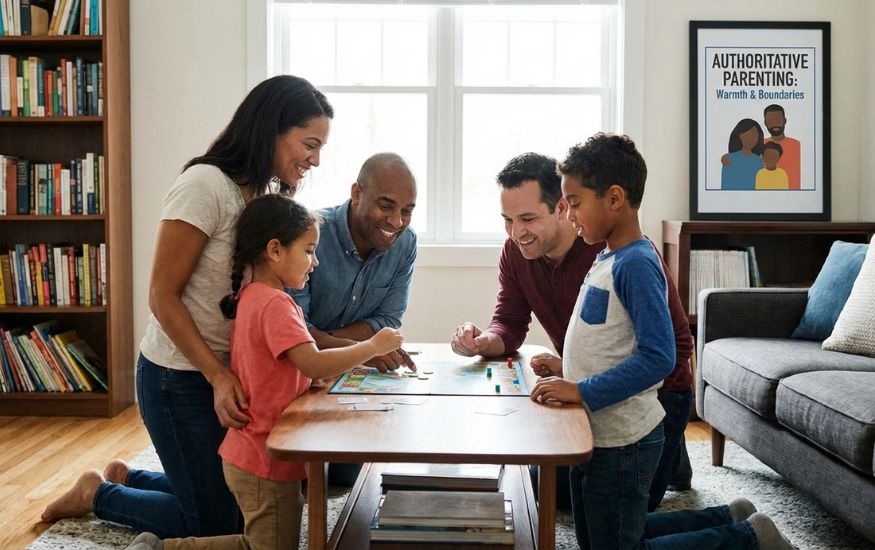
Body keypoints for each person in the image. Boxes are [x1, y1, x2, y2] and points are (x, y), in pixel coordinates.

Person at [41, 75, 334, 538]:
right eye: (310, 144)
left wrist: (298, 366)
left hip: (231, 378)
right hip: (177, 379)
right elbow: (162, 294)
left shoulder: (264, 199)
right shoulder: (204, 185)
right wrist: (217, 377)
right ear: (272, 130)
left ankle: (129, 478)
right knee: (218, 524)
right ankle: (98, 495)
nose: (315, 159)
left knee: (246, 501)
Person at [531, 132, 794, 549]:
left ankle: (748, 538)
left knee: (615, 546)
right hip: (597, 434)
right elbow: (610, 342)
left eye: (576, 203)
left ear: (614, 198)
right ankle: (729, 516)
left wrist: (580, 390)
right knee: (602, 536)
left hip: (623, 441)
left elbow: (658, 357)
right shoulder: (608, 256)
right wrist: (567, 369)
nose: (570, 215)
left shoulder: (636, 263)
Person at [126, 194, 404, 550]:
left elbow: (276, 366)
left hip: (259, 451)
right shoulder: (276, 304)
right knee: (267, 547)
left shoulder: (254, 295)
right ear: (275, 250)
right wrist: (372, 347)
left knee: (273, 538)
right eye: (308, 250)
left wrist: (305, 377)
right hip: (264, 456)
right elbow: (313, 360)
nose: (315, 262)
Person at [450, 152, 693, 512]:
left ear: (562, 207)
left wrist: (588, 387)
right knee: (538, 483)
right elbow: (510, 322)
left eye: (528, 218)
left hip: (655, 399)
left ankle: (670, 451)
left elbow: (674, 350)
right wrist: (483, 341)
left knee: (587, 503)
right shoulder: (515, 252)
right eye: (507, 220)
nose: (517, 233)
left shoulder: (617, 250)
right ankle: (668, 459)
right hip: (590, 383)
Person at [288, 152, 418, 486]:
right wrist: (361, 348)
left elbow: (388, 316)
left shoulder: (406, 243)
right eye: (386, 206)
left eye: (407, 210)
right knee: (275, 476)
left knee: (346, 474)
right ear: (356, 194)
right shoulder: (311, 232)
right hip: (293, 372)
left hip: (340, 371)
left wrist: (330, 343)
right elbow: (293, 327)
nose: (397, 221)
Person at [763, 104, 801, 189]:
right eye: (771, 121)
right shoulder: (759, 145)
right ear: (765, 123)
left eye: (778, 119)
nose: (775, 124)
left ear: (785, 120)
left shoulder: (797, 145)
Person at [720, 118, 764, 190]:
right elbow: (725, 186)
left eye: (754, 135)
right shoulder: (729, 159)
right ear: (739, 136)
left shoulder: (759, 161)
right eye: (748, 135)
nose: (751, 138)